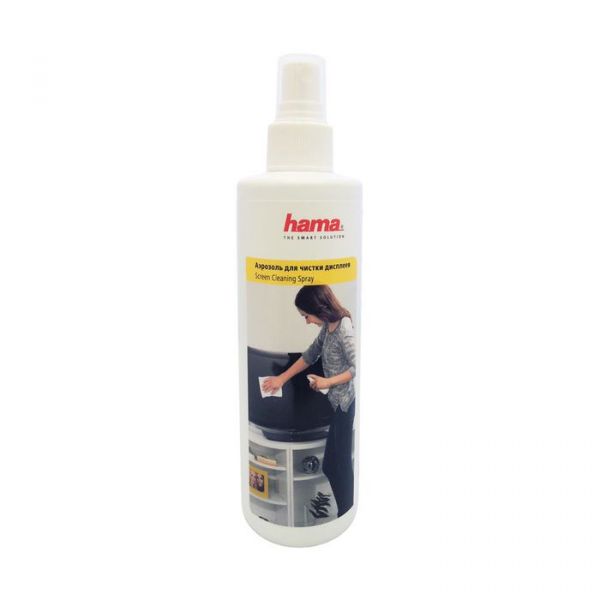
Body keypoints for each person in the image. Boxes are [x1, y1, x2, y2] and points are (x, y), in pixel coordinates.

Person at [262, 285, 356, 517]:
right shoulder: (328, 326)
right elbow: (311, 354)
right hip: (336, 404)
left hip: (345, 405)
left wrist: (327, 382)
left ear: (319, 308)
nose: (307, 321)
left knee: (340, 466)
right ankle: (344, 511)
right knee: (331, 466)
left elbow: (358, 366)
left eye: (306, 315)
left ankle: (345, 513)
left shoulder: (344, 327)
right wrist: (281, 379)